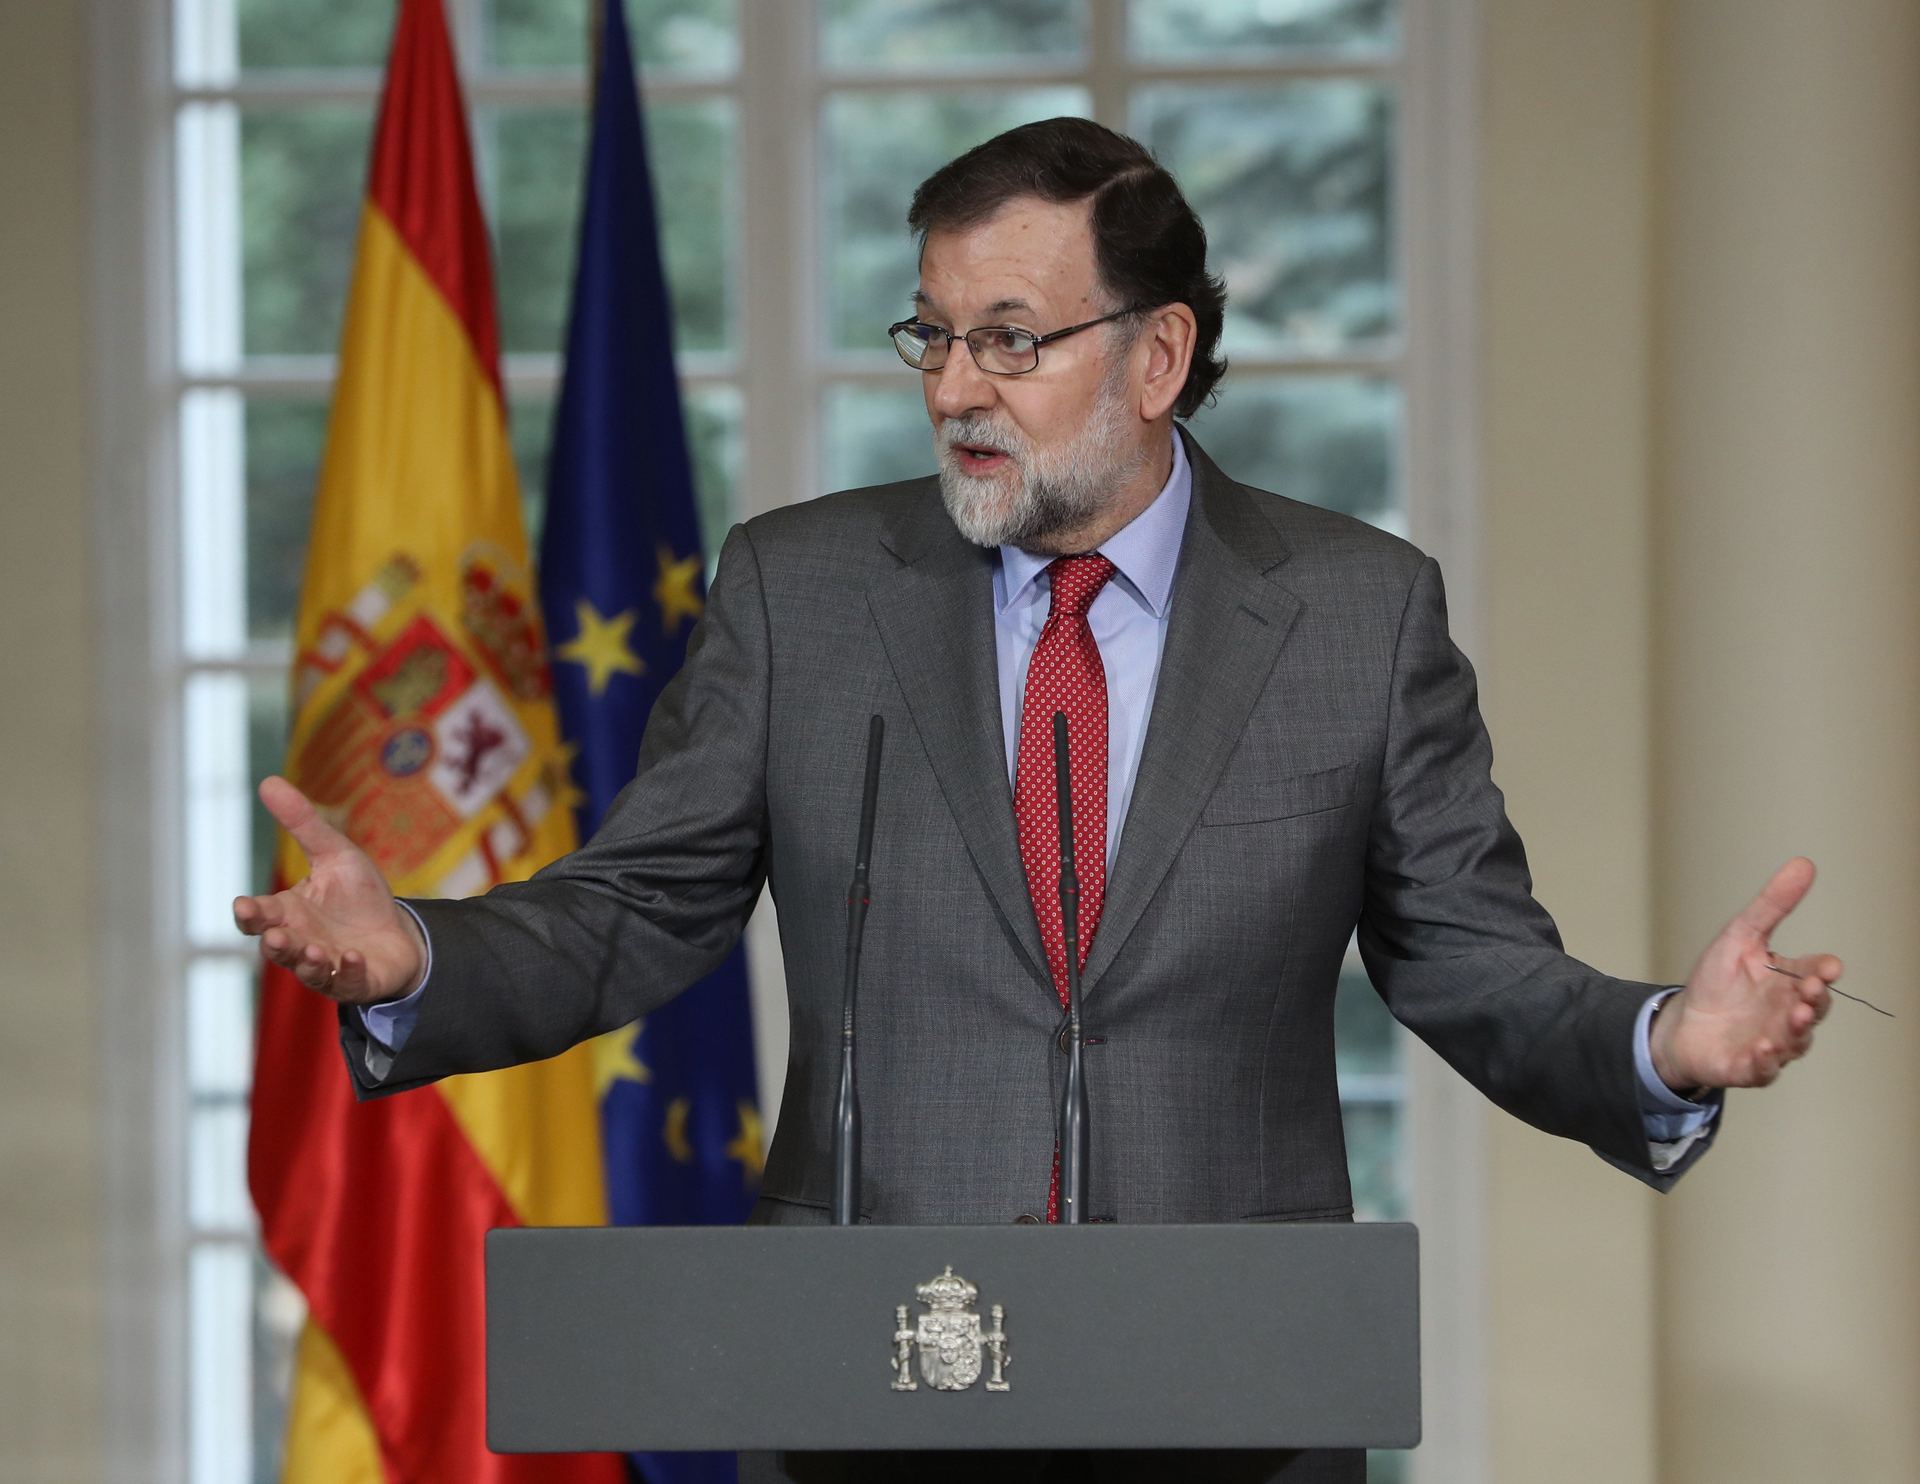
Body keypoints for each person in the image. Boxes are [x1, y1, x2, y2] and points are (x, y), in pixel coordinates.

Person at [233, 119, 1840, 1484]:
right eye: (934, 335)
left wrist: (1662, 1043)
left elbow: (1469, 961)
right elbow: (640, 904)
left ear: (1158, 355)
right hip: (873, 1386)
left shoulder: (1358, 616)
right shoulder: (803, 592)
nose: (955, 391)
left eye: (1012, 337)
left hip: (1237, 1403)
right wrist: (418, 958)